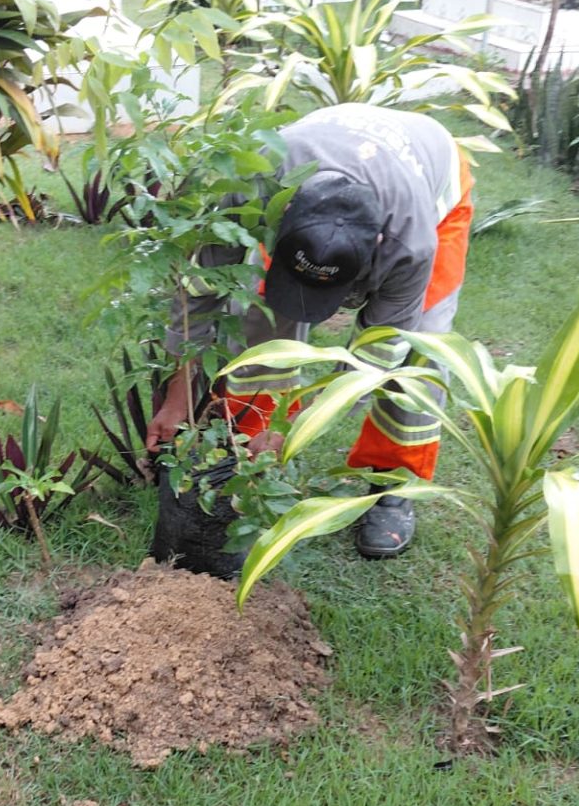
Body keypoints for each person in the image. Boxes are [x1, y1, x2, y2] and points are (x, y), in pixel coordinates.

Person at [144, 103, 474, 559]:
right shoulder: (251, 184)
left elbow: (375, 356)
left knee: (421, 354)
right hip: (321, 164)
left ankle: (393, 485)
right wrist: (178, 399)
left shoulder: (409, 241)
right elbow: (199, 296)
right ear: (280, 226)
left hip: (434, 183)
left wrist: (296, 428)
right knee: (258, 318)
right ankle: (247, 446)